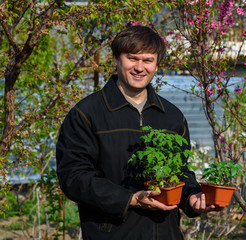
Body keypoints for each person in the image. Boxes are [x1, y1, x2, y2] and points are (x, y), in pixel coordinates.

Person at [56, 25, 218, 240]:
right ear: (116, 59)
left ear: (156, 65)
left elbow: (180, 173)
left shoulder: (171, 116)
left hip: (166, 234)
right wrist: (130, 198)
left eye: (148, 60)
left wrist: (191, 199)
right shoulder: (87, 114)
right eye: (132, 58)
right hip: (112, 234)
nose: (140, 67)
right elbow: (74, 177)